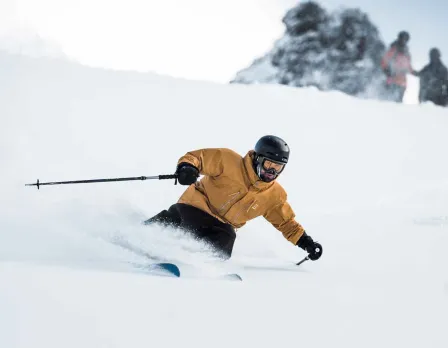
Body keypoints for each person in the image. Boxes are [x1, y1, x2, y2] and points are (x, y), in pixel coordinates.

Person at [144, 135, 322, 261]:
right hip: (195, 207)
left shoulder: (274, 195)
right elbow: (198, 158)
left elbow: (286, 223)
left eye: (278, 168)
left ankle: (193, 262)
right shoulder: (228, 160)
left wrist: (306, 243)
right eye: (268, 165)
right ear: (258, 159)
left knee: (225, 241)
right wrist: (187, 168)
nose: (271, 172)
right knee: (185, 219)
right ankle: (144, 234)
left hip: (221, 227)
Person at [381, 31, 417, 102]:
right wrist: (386, 70)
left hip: (402, 82)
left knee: (398, 102)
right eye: (402, 38)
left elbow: (408, 66)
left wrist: (413, 72)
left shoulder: (407, 53)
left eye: (406, 39)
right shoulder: (393, 49)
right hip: (392, 79)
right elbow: (384, 61)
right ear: (399, 38)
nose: (404, 40)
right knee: (387, 100)